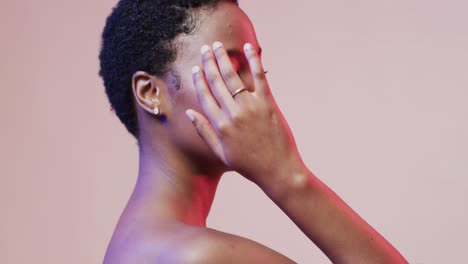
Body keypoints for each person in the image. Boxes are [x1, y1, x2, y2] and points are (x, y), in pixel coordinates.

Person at [99, 0, 408, 263]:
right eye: (231, 69)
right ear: (151, 93)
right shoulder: (202, 256)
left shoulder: (136, 244)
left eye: (260, 70)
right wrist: (286, 175)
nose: (256, 94)